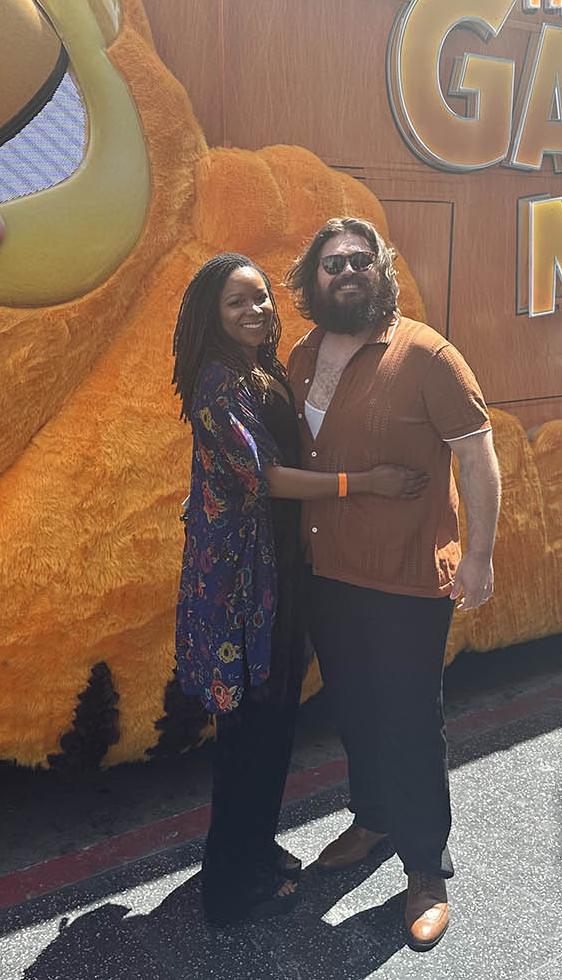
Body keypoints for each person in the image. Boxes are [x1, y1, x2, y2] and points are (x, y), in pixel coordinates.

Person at [171, 252, 427, 926]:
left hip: (276, 573)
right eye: (237, 303)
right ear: (210, 315)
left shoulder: (260, 368)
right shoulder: (218, 385)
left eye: (260, 297)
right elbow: (271, 479)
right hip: (241, 585)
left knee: (273, 725)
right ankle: (228, 886)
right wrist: (364, 482)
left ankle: (256, 849)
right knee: (247, 736)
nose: (256, 310)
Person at [283, 217, 502, 951]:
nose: (346, 271)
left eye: (359, 260)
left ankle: (425, 869)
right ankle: (373, 817)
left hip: (407, 577)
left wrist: (479, 556)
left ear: (382, 271)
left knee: (410, 720)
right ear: (312, 281)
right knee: (351, 707)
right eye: (331, 263)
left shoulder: (430, 356)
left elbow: (477, 457)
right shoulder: (303, 352)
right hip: (328, 571)